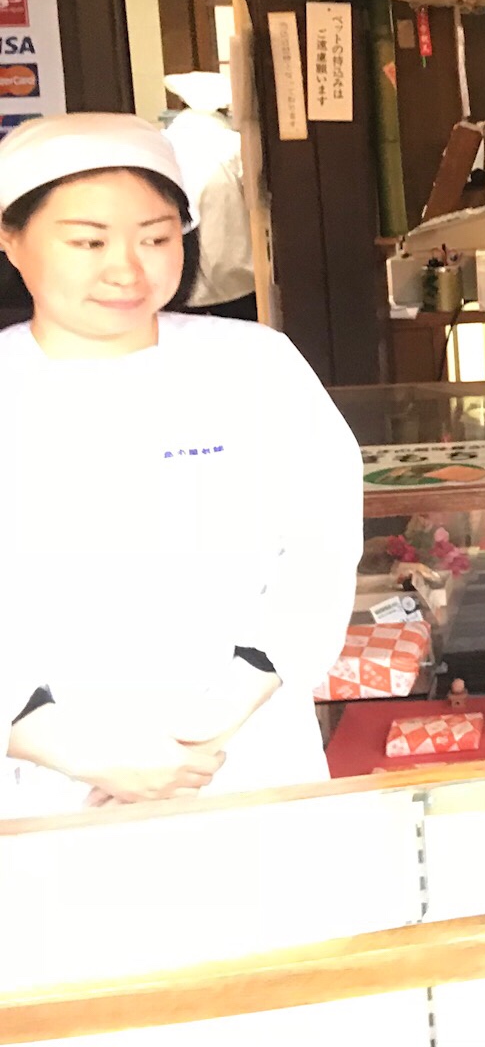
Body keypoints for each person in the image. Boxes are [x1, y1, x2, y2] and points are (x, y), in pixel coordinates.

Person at [0, 114, 360, 818]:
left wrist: (211, 727)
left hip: (243, 753)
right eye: (88, 241)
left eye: (156, 238)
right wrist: (76, 751)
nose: (127, 270)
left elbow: (321, 548)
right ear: (11, 238)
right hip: (46, 782)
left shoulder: (254, 364)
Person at [161, 70, 258, 321]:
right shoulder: (235, 145)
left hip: (179, 272)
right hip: (234, 272)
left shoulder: (163, 143)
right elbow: (256, 199)